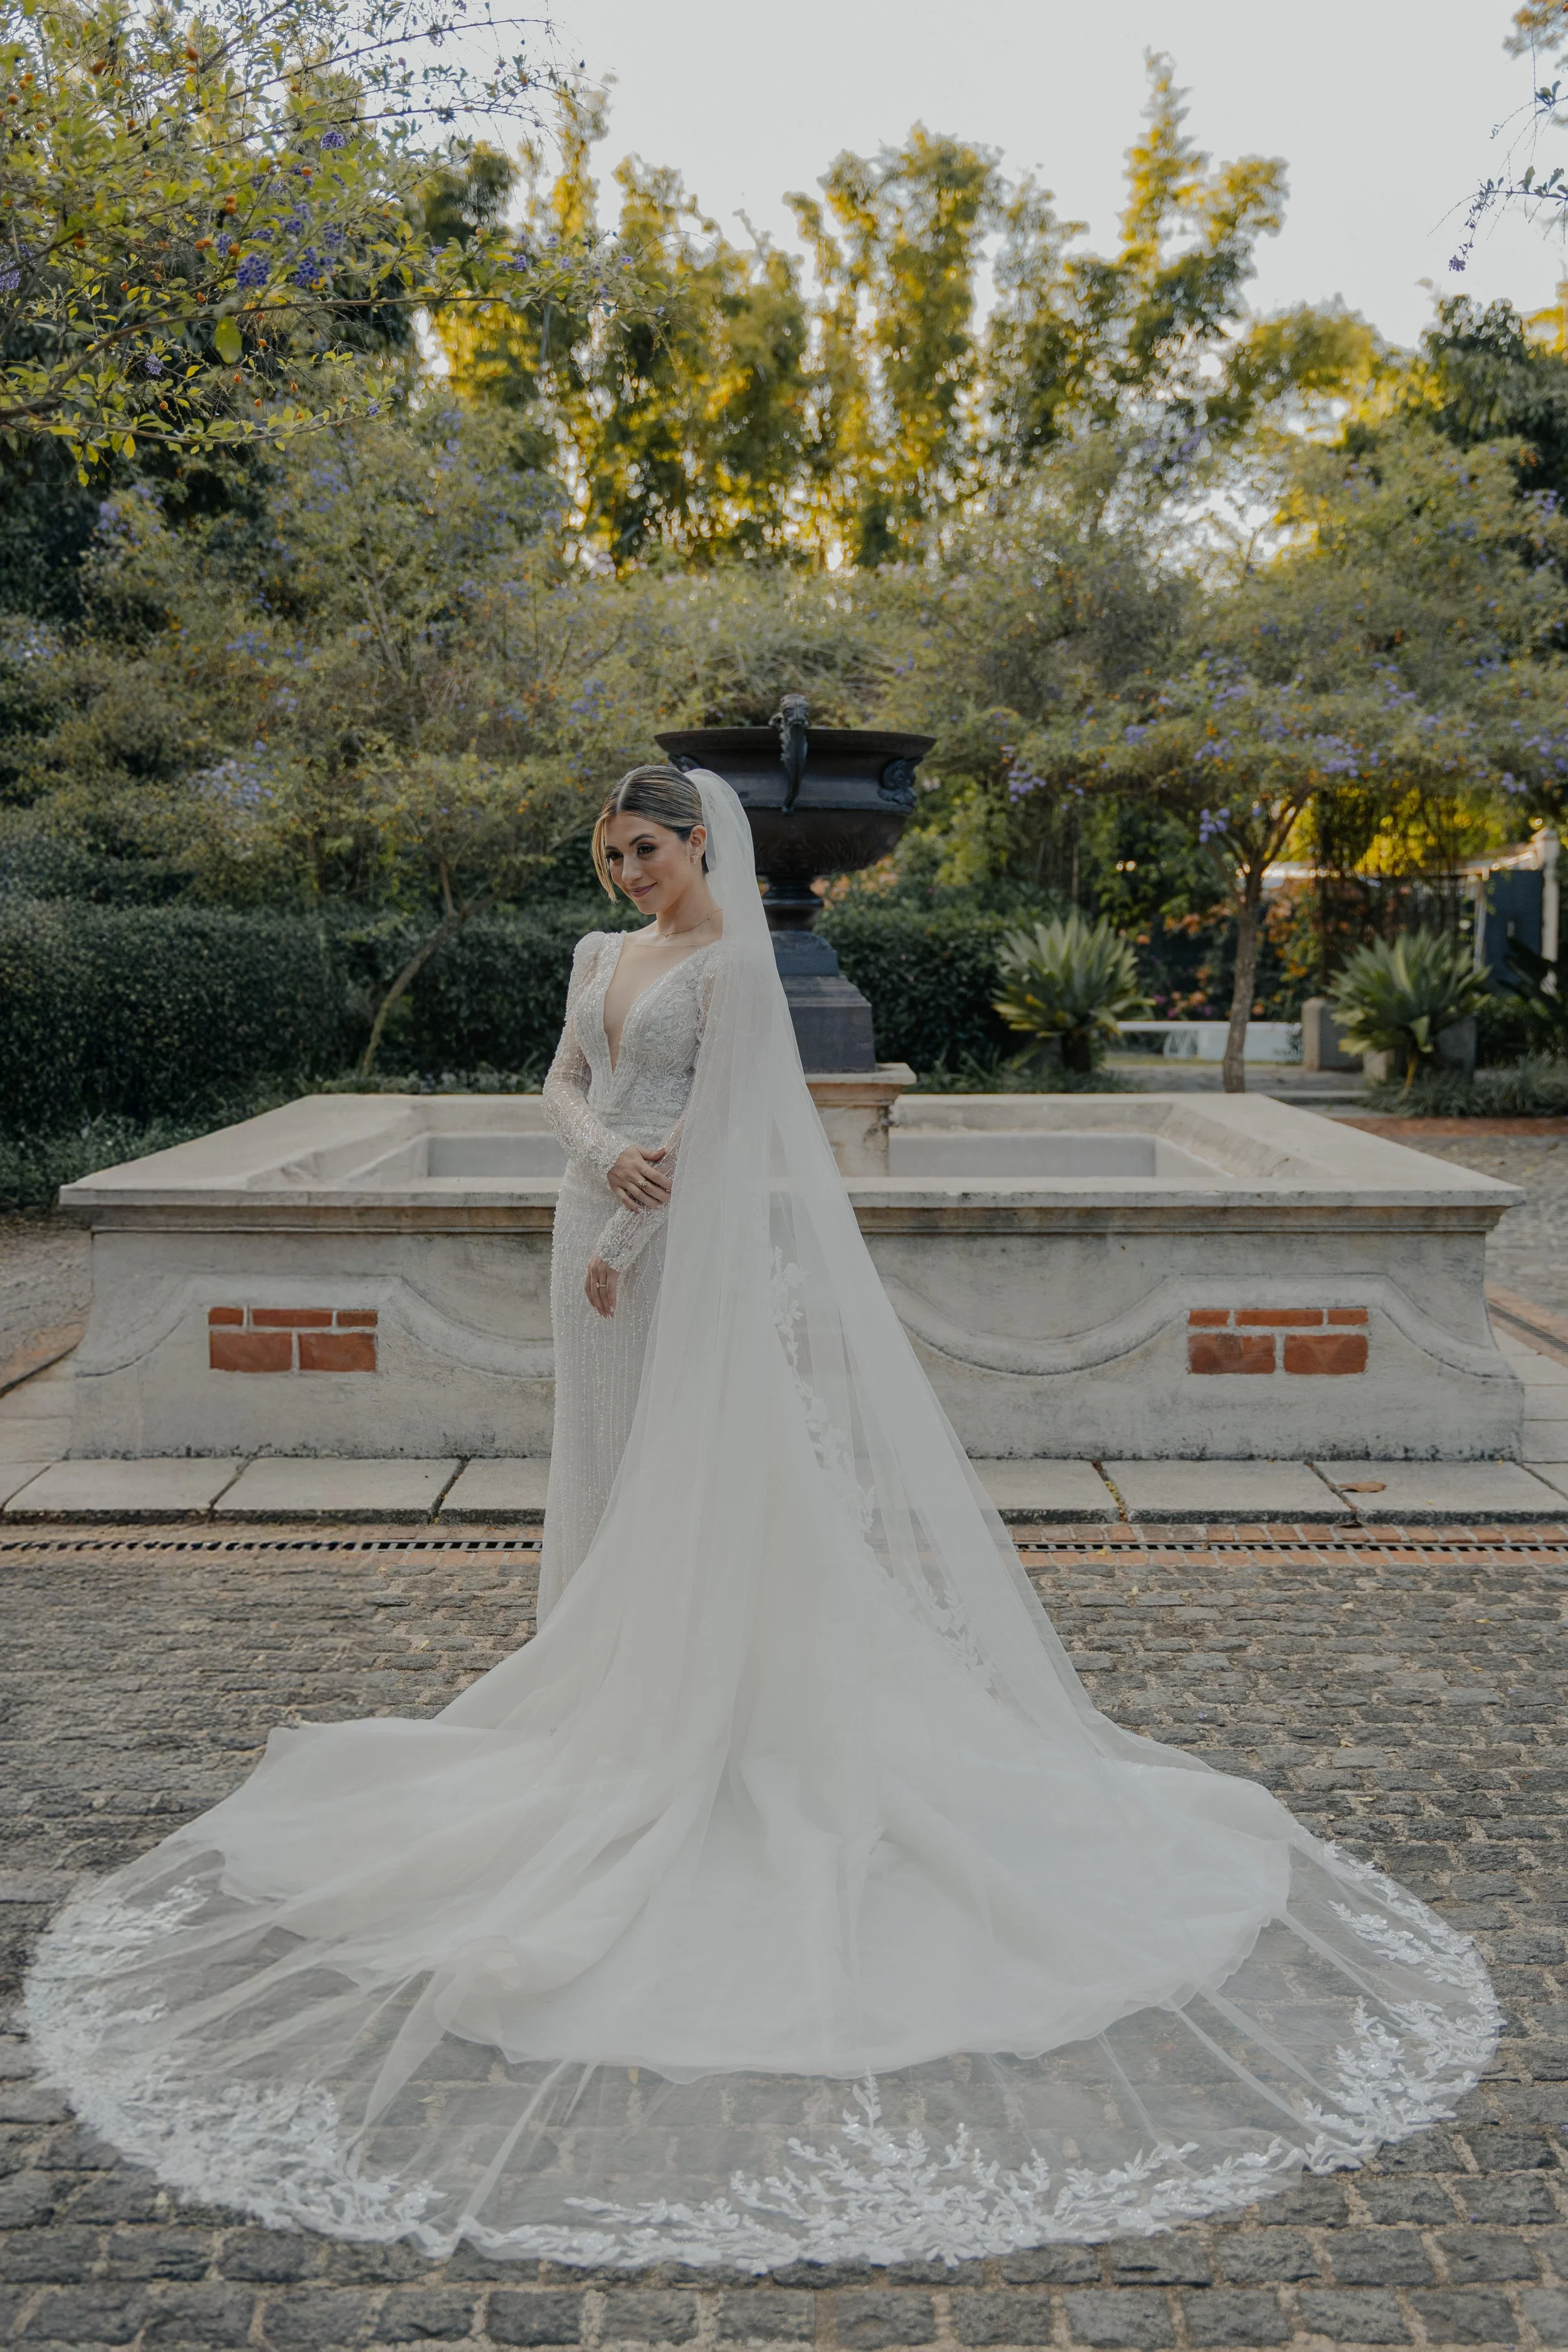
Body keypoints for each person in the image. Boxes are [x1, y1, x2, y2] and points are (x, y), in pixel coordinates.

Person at [26, 765, 1497, 2272]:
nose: (624, 877)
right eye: (608, 855)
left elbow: (738, 1142)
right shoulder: (600, 960)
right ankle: (610, 1692)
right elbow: (560, 1087)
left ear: (695, 842)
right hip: (588, 1228)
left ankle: (705, 1697)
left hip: (681, 1253)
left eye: (645, 850)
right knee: (601, 1470)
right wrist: (599, 1174)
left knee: (694, 1469)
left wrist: (642, 1224)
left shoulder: (738, 972)